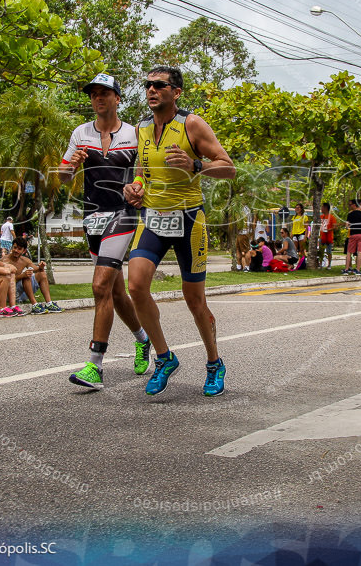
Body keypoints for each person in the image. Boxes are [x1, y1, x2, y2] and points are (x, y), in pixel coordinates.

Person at [123, 65, 236, 397]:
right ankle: (164, 357)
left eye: (160, 85)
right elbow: (142, 171)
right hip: (153, 218)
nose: (151, 90)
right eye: (148, 85)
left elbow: (228, 167)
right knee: (136, 286)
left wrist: (196, 164)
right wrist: (136, 187)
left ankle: (214, 363)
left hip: (189, 221)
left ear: (176, 92)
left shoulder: (192, 124)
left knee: (195, 300)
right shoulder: (142, 128)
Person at [60, 72, 150, 390]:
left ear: (117, 98)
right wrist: (72, 165)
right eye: (94, 94)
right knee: (114, 292)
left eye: (104, 93)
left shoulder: (135, 134)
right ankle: (143, 339)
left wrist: (137, 186)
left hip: (123, 215)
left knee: (99, 286)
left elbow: (143, 172)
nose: (98, 98)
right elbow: (63, 177)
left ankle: (94, 366)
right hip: (93, 218)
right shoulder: (80, 133)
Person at [5, 237, 62, 315]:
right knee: (26, 276)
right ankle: (35, 305)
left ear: (24, 251)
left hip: (23, 294)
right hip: (11, 294)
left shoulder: (24, 260)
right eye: (14, 248)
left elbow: (36, 269)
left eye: (19, 249)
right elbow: (4, 281)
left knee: (41, 274)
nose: (16, 251)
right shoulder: (5, 260)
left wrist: (41, 267)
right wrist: (22, 276)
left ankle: (49, 303)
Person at [342, 199, 361, 275]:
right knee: (359, 252)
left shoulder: (350, 214)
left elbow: (347, 225)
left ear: (355, 205)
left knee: (349, 252)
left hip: (353, 234)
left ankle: (346, 269)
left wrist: (349, 226)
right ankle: (357, 269)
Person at [318, 202, 337, 269]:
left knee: (329, 251)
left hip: (329, 237)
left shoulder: (332, 217)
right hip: (322, 236)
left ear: (326, 208)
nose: (321, 208)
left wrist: (329, 229)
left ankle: (329, 264)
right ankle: (320, 264)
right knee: (321, 251)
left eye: (322, 207)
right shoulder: (321, 217)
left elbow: (335, 226)